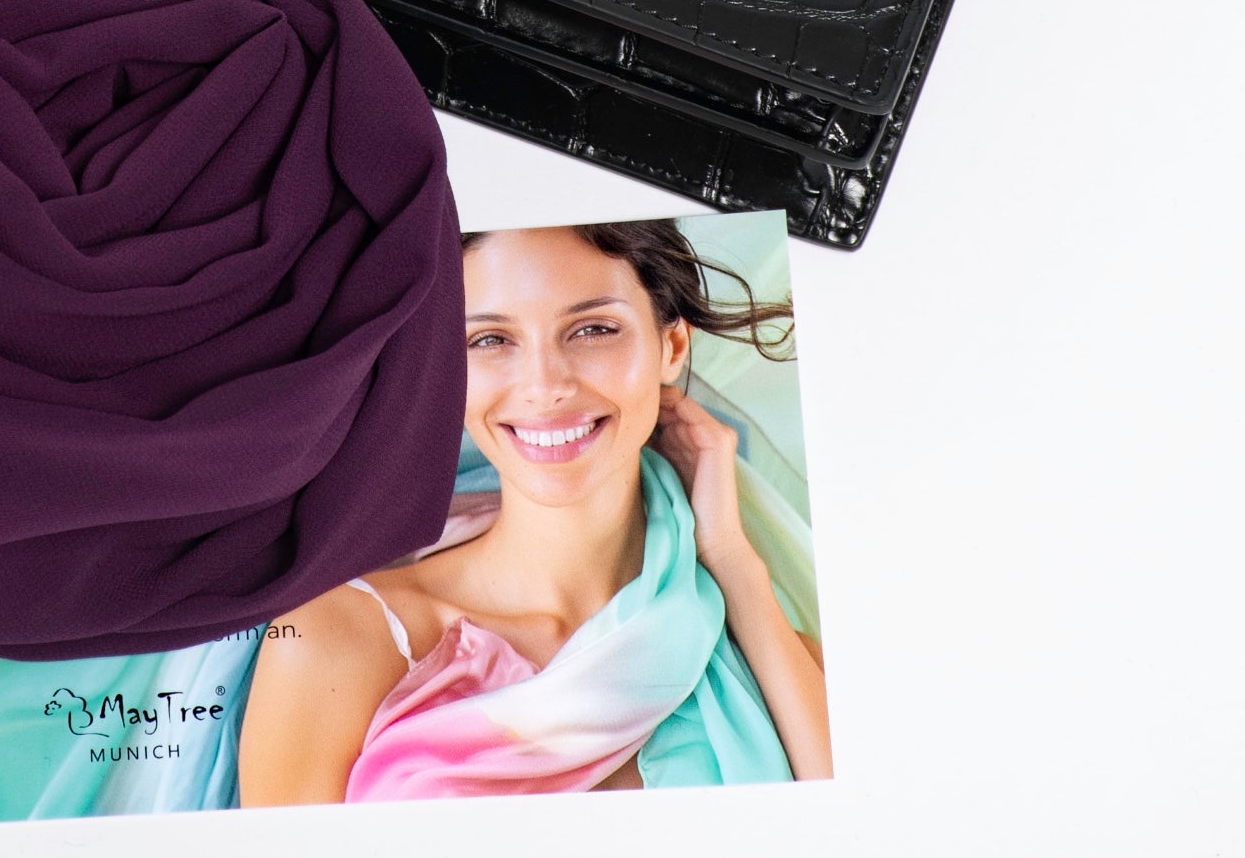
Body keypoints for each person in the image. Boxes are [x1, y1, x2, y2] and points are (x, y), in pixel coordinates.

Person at [237, 221, 831, 803]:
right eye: (489, 340)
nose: (544, 386)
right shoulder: (331, 638)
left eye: (594, 329)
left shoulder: (774, 655)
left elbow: (859, 840)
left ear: (672, 346)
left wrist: (730, 558)